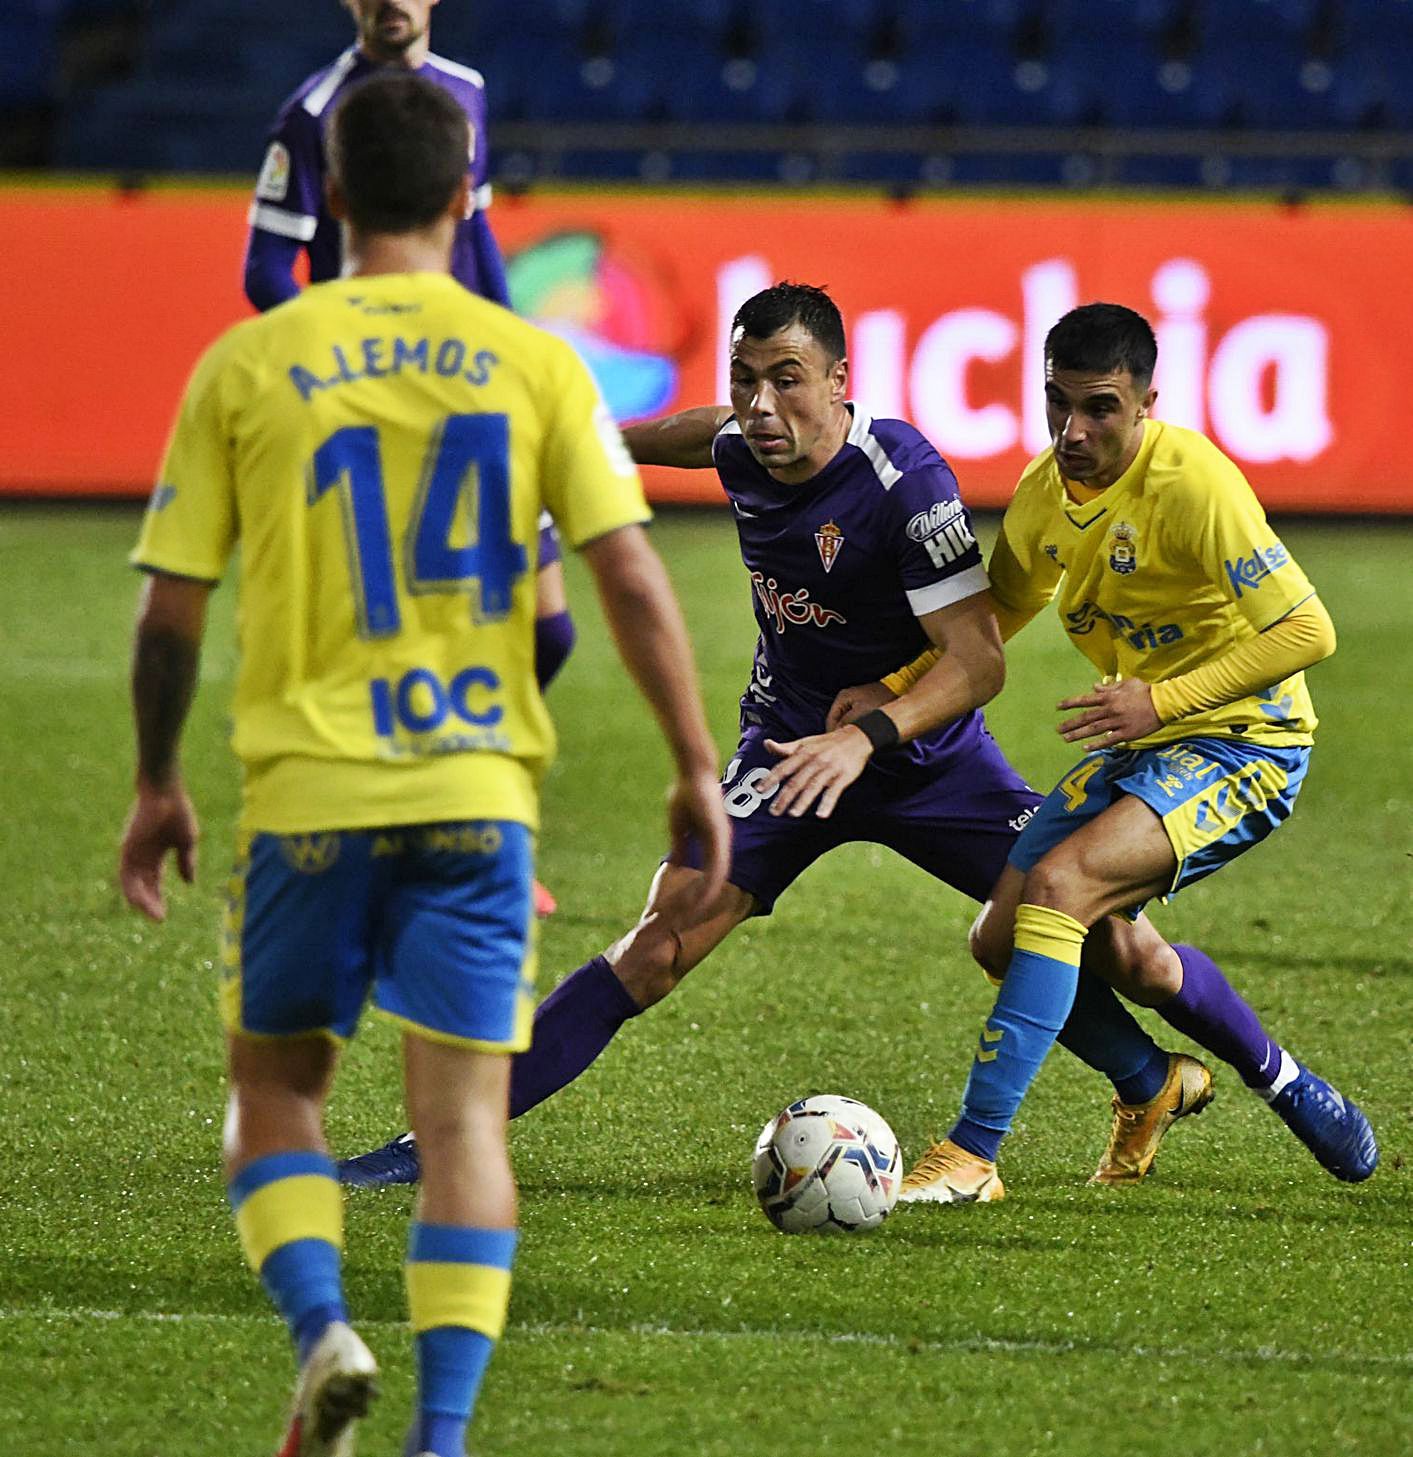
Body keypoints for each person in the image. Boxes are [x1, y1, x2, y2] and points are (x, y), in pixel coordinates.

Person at [119, 72, 729, 1457]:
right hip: (475, 801)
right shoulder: (530, 362)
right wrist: (695, 763)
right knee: (464, 1126)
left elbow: (169, 612)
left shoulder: (248, 364)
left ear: (329, 202)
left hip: (309, 800)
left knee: (278, 1089)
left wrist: (158, 780)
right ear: (466, 201)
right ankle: (440, 1437)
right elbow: (626, 575)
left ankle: (323, 1327)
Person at [340, 282, 1237, 1198]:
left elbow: (974, 663)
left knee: (1109, 939)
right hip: (786, 751)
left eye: (788, 380)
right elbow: (704, 434)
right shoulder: (745, 441)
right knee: (659, 939)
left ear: (841, 382)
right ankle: (437, 1141)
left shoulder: (904, 479)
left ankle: (1190, 1074)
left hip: (927, 760)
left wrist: (871, 737)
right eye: (745, 379)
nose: (762, 406)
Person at [820, 301, 1379, 1203]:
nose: (1072, 430)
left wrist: (1157, 697)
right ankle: (1208, 1079)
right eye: (1057, 403)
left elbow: (1306, 631)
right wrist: (898, 687)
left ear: (1146, 402)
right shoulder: (1047, 492)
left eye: (1100, 408)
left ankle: (971, 1153)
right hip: (1145, 737)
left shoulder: (1193, 483)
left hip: (1246, 741)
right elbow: (994, 613)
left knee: (1061, 888)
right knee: (1010, 939)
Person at [242, 0, 572, 917]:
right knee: (399, 631)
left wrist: (505, 345)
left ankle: (474, 809)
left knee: (547, 630)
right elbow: (267, 268)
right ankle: (411, 835)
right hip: (375, 410)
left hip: (470, 396)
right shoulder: (313, 114)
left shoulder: (465, 92)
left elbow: (476, 238)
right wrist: (342, 356)